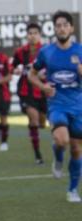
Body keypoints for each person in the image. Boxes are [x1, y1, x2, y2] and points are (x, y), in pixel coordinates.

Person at [29, 10, 82, 202]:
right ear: (55, 29)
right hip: (57, 104)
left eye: (65, 25)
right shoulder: (46, 52)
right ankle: (58, 157)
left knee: (76, 150)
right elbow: (31, 75)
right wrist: (43, 87)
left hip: (78, 106)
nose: (61, 28)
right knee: (62, 140)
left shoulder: (80, 51)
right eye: (58, 25)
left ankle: (72, 190)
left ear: (71, 28)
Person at [12, 23, 48, 164]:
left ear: (39, 35)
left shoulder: (46, 50)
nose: (32, 36)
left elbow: (52, 67)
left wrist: (45, 75)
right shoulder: (20, 52)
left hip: (43, 91)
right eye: (30, 33)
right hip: (26, 92)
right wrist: (15, 70)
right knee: (33, 120)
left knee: (42, 123)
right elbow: (13, 66)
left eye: (35, 33)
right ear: (26, 35)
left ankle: (38, 127)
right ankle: (38, 155)